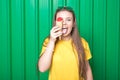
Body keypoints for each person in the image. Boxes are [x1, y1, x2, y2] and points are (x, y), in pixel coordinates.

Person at [38, 6, 93, 80]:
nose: (64, 23)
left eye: (68, 20)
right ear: (55, 22)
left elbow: (87, 70)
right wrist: (52, 41)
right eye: (60, 19)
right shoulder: (48, 41)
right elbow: (42, 68)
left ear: (73, 23)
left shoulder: (82, 42)